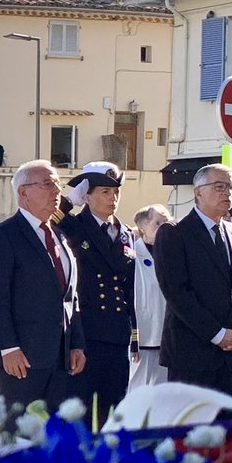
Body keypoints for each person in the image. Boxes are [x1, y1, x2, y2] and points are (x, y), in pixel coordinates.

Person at [0, 160, 86, 413]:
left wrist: (76, 343)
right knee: (17, 437)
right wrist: (8, 347)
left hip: (60, 358)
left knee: (51, 438)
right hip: (22, 358)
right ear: (23, 192)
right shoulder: (4, 235)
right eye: (48, 184)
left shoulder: (59, 236)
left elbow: (70, 297)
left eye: (57, 185)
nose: (56, 192)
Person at [153, 164, 232, 398]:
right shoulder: (174, 233)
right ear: (197, 192)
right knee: (192, 432)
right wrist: (217, 334)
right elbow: (177, 293)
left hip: (229, 359)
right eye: (219, 186)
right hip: (191, 356)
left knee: (227, 432)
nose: (227, 193)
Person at [57, 162, 135, 417]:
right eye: (104, 191)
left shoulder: (125, 234)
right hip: (86, 329)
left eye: (116, 192)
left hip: (116, 331)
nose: (113, 198)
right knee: (82, 406)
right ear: (87, 195)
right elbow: (45, 218)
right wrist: (69, 200)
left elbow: (128, 287)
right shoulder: (74, 226)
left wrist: (134, 334)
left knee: (114, 405)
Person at [128, 205, 171, 391]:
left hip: (166, 335)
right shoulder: (131, 254)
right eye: (158, 223)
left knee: (162, 393)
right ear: (143, 227)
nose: (163, 228)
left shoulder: (171, 255)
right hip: (142, 336)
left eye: (166, 223)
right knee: (137, 390)